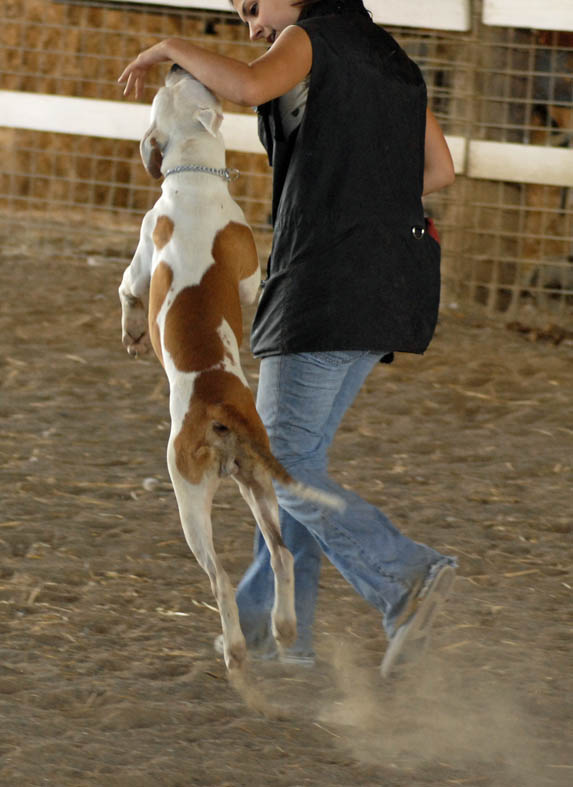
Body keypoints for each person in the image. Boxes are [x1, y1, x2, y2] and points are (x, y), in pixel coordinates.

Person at [118, 0, 457, 677]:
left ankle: (406, 577)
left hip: (324, 284)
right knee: (292, 457)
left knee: (285, 464)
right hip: (395, 287)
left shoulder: (309, 37)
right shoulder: (389, 55)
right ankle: (272, 632)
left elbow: (245, 85)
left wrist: (170, 46)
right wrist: (365, 197)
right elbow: (439, 170)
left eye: (252, 6)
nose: (251, 26)